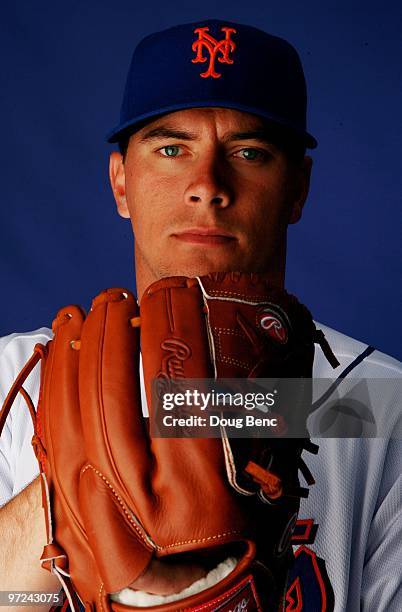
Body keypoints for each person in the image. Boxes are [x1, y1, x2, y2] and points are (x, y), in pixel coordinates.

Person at [0, 19, 401, 611]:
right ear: (120, 182)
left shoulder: (379, 403)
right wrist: (68, 491)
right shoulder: (17, 377)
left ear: (297, 189)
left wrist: (214, 408)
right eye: (171, 148)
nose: (206, 185)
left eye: (248, 152)